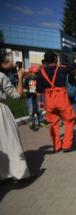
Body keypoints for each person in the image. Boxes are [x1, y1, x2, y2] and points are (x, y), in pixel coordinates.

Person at [36, 48, 76, 152]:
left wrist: (40, 103)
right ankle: (66, 145)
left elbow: (37, 91)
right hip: (62, 100)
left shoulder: (40, 73)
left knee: (53, 124)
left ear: (45, 61)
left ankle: (57, 146)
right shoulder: (62, 69)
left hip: (49, 101)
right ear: (55, 59)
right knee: (69, 120)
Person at [0, 50, 30, 180]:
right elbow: (17, 95)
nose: (13, 62)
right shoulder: (1, 76)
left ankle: (3, 174)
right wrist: (20, 77)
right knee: (10, 141)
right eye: (11, 60)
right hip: (1, 112)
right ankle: (19, 173)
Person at [24, 66, 41, 131]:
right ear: (31, 72)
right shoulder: (29, 78)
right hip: (30, 97)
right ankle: (32, 123)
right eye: (35, 73)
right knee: (31, 111)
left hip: (36, 96)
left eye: (37, 73)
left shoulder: (36, 78)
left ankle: (39, 122)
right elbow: (28, 88)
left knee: (38, 110)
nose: (36, 74)